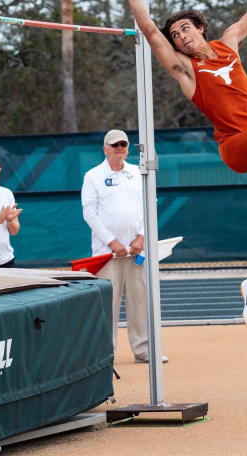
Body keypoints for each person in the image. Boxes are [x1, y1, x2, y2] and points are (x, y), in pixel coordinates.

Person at [106, 0, 247, 332]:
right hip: (236, 144)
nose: (180, 37)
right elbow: (148, 28)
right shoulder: (186, 70)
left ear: (200, 28)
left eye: (185, 29)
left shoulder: (229, 43)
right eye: (176, 35)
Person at [81, 129, 166, 364]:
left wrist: (141, 237)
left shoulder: (139, 173)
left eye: (123, 144)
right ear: (105, 149)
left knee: (141, 302)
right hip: (107, 254)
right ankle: (105, 354)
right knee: (107, 305)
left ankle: (144, 350)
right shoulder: (93, 176)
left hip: (137, 251)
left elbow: (150, 205)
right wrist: (112, 242)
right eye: (114, 144)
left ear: (128, 148)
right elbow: (89, 214)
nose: (119, 147)